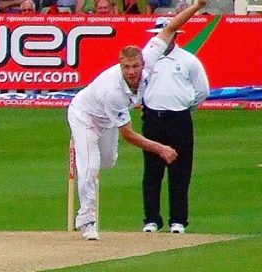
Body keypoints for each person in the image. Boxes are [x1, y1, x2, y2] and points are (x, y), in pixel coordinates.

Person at [66, 0, 205, 241]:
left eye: (134, 66)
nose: (131, 72)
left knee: (107, 162)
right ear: (120, 66)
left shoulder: (149, 57)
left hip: (108, 120)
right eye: (126, 67)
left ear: (143, 63)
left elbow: (171, 28)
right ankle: (87, 220)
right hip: (84, 116)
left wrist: (197, 5)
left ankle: (89, 156)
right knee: (90, 167)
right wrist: (161, 148)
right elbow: (128, 134)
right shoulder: (113, 91)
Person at [140, 16, 209, 234]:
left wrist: (185, 108)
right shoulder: (147, 60)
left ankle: (178, 220)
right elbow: (139, 86)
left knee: (180, 171)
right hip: (153, 119)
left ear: (175, 36)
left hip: (179, 120)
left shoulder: (188, 60)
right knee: (152, 172)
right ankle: (151, 219)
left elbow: (202, 90)